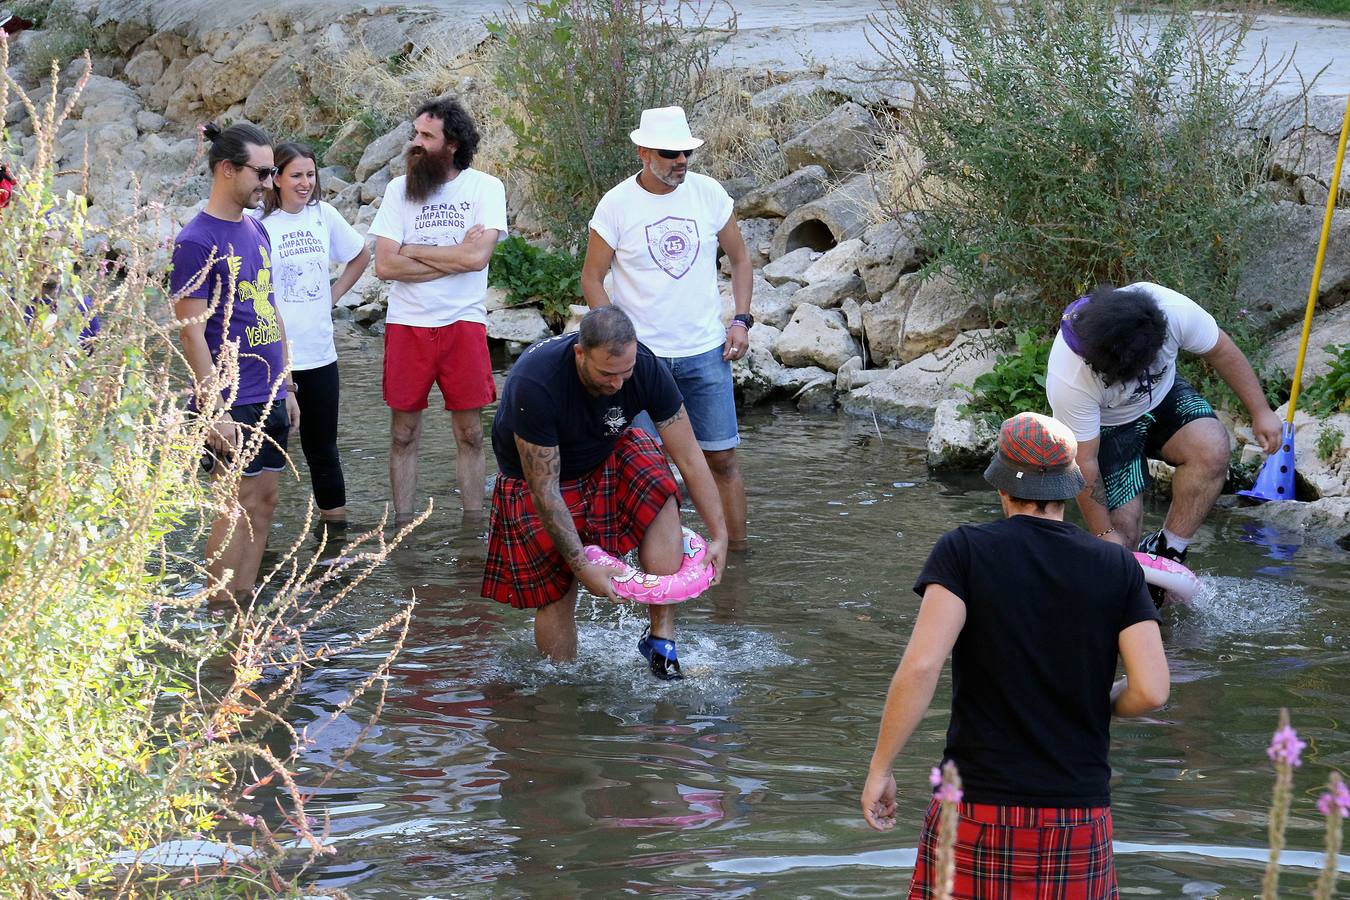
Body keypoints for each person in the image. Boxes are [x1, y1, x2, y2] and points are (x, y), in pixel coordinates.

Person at [861, 412, 1170, 896]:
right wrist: (1099, 701)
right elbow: (1151, 691)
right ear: (1070, 486)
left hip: (975, 805)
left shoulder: (964, 551)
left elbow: (922, 666)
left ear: (1001, 486)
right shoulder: (1116, 566)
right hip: (1076, 813)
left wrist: (881, 768)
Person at [482, 306, 729, 680]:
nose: (617, 385)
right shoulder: (535, 383)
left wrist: (720, 534)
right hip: (537, 480)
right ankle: (562, 685)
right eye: (606, 374)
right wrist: (581, 566)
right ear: (580, 354)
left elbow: (691, 457)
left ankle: (661, 641)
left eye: (624, 373)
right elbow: (546, 491)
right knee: (559, 591)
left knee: (659, 484)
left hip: (606, 453)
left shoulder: (644, 366)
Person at [581, 106, 753, 549]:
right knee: (644, 466)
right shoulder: (616, 204)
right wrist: (618, 343)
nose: (681, 160)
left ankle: (736, 563)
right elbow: (591, 278)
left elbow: (740, 258)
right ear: (643, 151)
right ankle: (658, 568)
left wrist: (741, 319)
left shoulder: (709, 193)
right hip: (641, 362)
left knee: (723, 458)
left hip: (705, 352)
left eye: (686, 153)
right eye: (670, 152)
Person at [1046, 283, 1283, 592]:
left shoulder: (1172, 311)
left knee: (1212, 448)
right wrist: (1104, 534)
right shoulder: (1070, 376)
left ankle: (1169, 551)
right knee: (1123, 536)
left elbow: (1222, 351)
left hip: (1164, 398)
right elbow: (1084, 463)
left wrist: (1261, 411)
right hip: (1109, 428)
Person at [171, 121, 299, 604]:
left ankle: (244, 605)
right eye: (262, 172)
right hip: (230, 397)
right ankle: (221, 613)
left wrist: (286, 386)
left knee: (264, 503)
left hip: (269, 394)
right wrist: (214, 410)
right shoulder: (195, 241)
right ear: (227, 169)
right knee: (234, 509)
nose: (270, 183)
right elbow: (192, 331)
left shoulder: (256, 229)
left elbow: (269, 307)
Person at [368, 98, 506, 521]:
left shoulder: (486, 188)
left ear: (452, 144)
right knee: (403, 434)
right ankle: (403, 526)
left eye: (426, 136)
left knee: (470, 434)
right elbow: (386, 264)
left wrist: (415, 251)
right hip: (408, 324)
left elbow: (476, 259)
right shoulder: (398, 190)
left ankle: (472, 527)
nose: (415, 142)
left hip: (463, 322)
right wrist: (453, 254)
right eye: (415, 133)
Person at [255, 141, 370, 524]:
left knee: (324, 451)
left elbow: (360, 255)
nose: (305, 183)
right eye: (296, 176)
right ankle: (258, 548)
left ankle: (335, 542)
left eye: (310, 174)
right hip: (273, 362)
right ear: (276, 179)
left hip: (321, 355)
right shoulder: (261, 227)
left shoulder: (324, 215)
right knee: (266, 455)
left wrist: (333, 295)